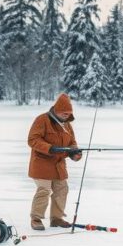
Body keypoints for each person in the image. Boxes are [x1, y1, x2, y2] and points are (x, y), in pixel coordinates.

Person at [27, 93, 82, 231]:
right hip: (41, 165)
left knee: (62, 189)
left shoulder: (67, 125)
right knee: (44, 189)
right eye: (63, 112)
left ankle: (56, 219)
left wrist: (75, 153)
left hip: (59, 166)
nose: (66, 115)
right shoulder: (42, 120)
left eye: (68, 113)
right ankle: (36, 218)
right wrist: (50, 148)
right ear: (56, 110)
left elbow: (72, 142)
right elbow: (32, 140)